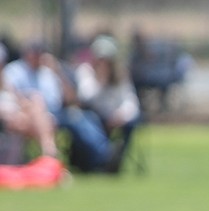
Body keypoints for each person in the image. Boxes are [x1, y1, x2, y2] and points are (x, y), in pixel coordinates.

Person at [2, 39, 113, 172]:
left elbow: (71, 99)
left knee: (84, 120)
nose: (36, 56)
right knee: (36, 104)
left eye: (39, 53)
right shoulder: (15, 71)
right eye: (33, 53)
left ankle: (101, 156)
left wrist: (57, 71)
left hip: (53, 114)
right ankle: (50, 151)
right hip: (22, 113)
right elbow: (12, 96)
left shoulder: (48, 73)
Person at [75, 35, 141, 174]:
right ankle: (106, 157)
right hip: (93, 116)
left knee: (131, 123)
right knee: (86, 122)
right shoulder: (86, 71)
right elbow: (86, 97)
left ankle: (116, 159)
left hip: (115, 116)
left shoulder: (120, 75)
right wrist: (101, 80)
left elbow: (130, 101)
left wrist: (121, 115)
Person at [0, 44, 61, 162]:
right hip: (10, 117)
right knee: (33, 111)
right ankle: (49, 150)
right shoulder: (14, 71)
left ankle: (47, 151)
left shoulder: (6, 83)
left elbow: (55, 103)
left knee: (35, 103)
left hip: (21, 116)